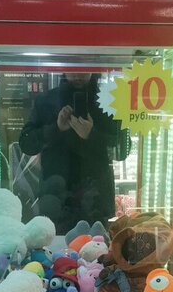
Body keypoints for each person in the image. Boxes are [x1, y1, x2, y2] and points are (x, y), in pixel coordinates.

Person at [19, 72, 118, 232]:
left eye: (83, 67)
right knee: (58, 252)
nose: (78, 74)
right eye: (72, 68)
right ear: (63, 68)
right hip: (57, 196)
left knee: (96, 252)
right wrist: (55, 128)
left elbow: (122, 150)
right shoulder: (46, 101)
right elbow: (26, 144)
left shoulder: (108, 102)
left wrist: (91, 135)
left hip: (95, 197)